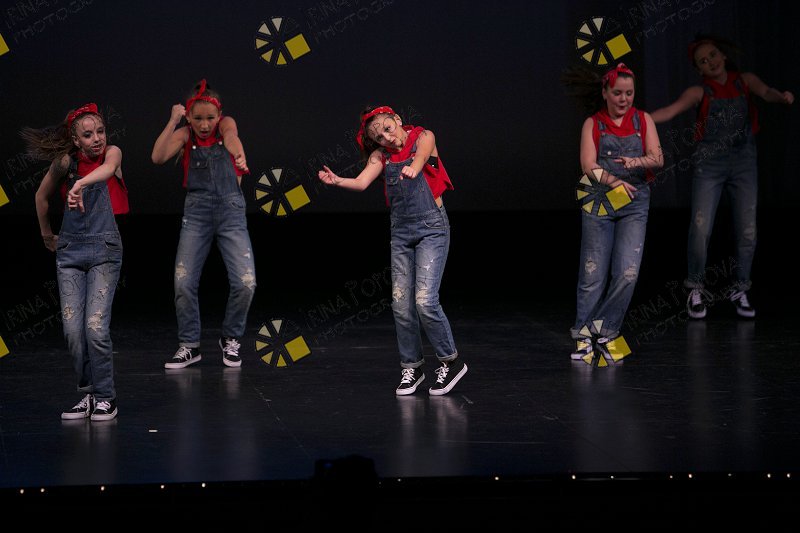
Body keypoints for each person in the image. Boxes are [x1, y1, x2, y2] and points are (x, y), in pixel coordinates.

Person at [317, 105, 467, 396]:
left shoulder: (423, 136)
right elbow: (362, 182)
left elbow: (422, 155)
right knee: (400, 303)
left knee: (425, 301)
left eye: (388, 128)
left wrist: (415, 166)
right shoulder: (380, 156)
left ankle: (451, 361)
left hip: (432, 227)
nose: (386, 137)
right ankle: (412, 366)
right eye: (378, 137)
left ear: (397, 120)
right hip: (401, 233)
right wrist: (338, 181)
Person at [650, 35, 794, 319]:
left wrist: (782, 97)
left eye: (713, 55)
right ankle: (695, 289)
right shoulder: (699, 91)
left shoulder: (745, 81)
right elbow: (670, 110)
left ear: (723, 56)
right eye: (703, 61)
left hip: (743, 162)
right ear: (699, 70)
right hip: (710, 165)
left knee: (747, 230)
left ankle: (740, 289)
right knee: (701, 228)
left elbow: (767, 92)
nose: (711, 62)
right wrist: (638, 119)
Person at [25, 103, 126, 420]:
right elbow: (41, 197)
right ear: (75, 139)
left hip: (104, 251)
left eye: (100, 131)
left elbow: (107, 170)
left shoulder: (112, 153)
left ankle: (106, 397)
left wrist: (81, 184)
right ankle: (89, 393)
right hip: (70, 253)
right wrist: (47, 234)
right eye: (88, 134)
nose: (97, 139)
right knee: (72, 331)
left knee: (95, 328)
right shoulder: (65, 163)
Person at [152, 79, 256, 369]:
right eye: (197, 118)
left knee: (246, 282)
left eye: (210, 118)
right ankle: (189, 345)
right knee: (183, 281)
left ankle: (231, 337)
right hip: (197, 214)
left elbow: (232, 137)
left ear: (219, 115)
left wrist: (238, 154)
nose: (205, 124)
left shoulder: (226, 126)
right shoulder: (186, 134)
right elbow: (157, 157)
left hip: (231, 213)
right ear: (188, 116)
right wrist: (173, 121)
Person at [562, 63, 664, 363]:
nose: (624, 99)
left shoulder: (643, 120)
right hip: (600, 201)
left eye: (629, 93)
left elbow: (658, 158)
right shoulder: (593, 124)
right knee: (593, 273)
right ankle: (584, 337)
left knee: (628, 273)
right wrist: (614, 180)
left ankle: (606, 332)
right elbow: (588, 166)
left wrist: (637, 162)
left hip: (634, 201)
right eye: (617, 93)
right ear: (605, 92)